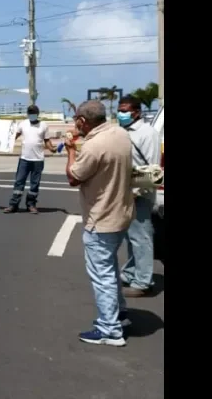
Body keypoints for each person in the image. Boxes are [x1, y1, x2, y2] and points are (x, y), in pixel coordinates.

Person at [65, 100, 134, 347]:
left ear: (82, 121)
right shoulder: (120, 133)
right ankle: (120, 314)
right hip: (121, 213)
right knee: (111, 270)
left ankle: (109, 329)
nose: (75, 125)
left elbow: (74, 177)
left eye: (76, 121)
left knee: (102, 275)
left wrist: (71, 149)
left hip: (101, 219)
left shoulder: (93, 146)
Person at [117, 95, 161, 298]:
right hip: (125, 191)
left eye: (125, 110)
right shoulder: (123, 131)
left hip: (139, 193)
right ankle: (131, 272)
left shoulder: (147, 133)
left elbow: (150, 168)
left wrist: (135, 193)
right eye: (120, 109)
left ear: (137, 112)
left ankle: (143, 282)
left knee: (141, 236)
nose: (121, 113)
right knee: (131, 236)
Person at [4, 105, 55, 214]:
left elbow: (47, 141)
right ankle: (13, 205)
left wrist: (52, 148)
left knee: (34, 184)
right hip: (24, 159)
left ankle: (31, 205)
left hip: (38, 160)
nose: (32, 115)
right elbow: (13, 136)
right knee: (19, 182)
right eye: (30, 113)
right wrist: (3, 143)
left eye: (34, 113)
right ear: (27, 114)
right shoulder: (22, 124)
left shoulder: (44, 126)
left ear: (37, 114)